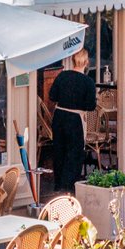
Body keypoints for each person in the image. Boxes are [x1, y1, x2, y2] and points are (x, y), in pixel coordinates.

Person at [49, 48, 97, 192]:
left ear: (72, 60)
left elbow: (52, 96)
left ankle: (58, 184)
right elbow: (90, 106)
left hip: (59, 116)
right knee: (74, 152)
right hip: (75, 118)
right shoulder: (88, 82)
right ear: (86, 62)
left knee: (59, 150)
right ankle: (69, 185)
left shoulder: (62, 76)